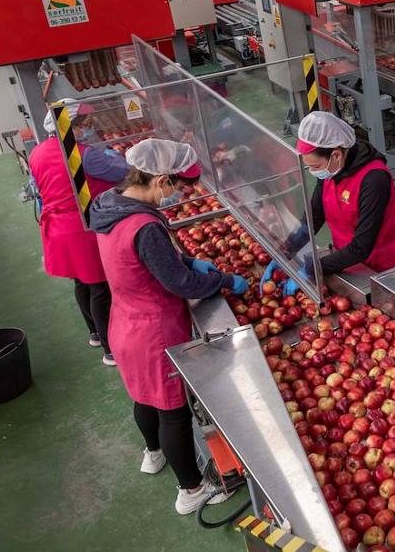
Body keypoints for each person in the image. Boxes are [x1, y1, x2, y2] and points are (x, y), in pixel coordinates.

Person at [90, 139, 243, 515]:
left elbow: (147, 263)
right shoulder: (144, 226)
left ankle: (152, 454)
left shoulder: (111, 206)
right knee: (173, 412)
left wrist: (188, 260)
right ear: (160, 180)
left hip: (125, 322)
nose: (178, 194)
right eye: (177, 186)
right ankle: (191, 489)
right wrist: (223, 279)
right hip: (155, 332)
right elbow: (181, 285)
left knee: (144, 398)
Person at [28, 99, 130, 365]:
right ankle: (111, 350)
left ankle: (95, 334)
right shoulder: (85, 155)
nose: (89, 126)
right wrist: (115, 155)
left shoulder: (38, 152)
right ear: (72, 127)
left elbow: (38, 185)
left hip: (57, 229)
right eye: (85, 123)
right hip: (82, 229)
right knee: (100, 288)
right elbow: (124, 172)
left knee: (81, 282)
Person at [263, 111, 395, 291]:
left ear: (336, 155)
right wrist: (285, 251)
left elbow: (362, 246)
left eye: (315, 166)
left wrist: (313, 268)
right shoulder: (330, 172)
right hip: (346, 265)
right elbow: (314, 217)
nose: (312, 171)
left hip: (384, 269)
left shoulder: (373, 179)